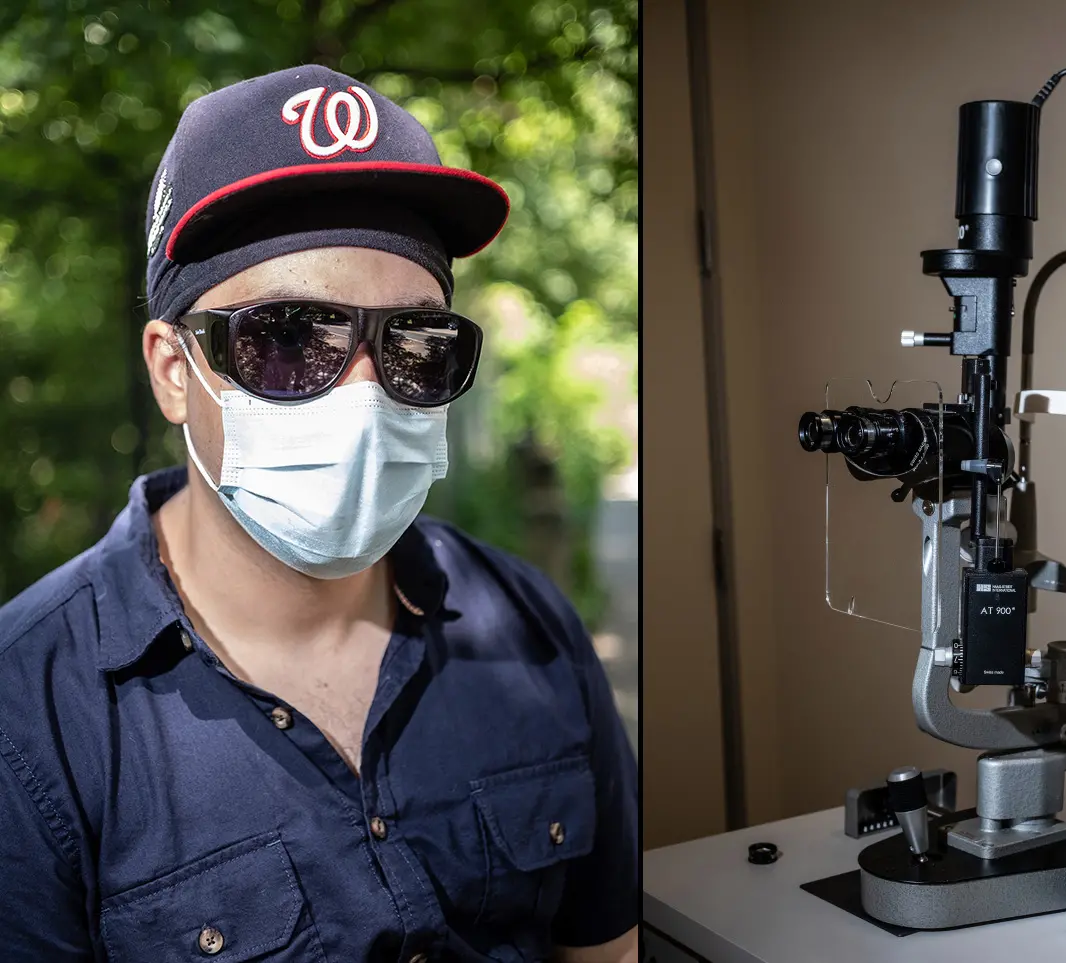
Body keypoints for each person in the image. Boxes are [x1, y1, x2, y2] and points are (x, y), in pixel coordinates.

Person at [0, 65, 638, 963]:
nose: (368, 392)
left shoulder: (530, 622)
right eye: (291, 337)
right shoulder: (28, 713)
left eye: (416, 343)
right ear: (175, 371)